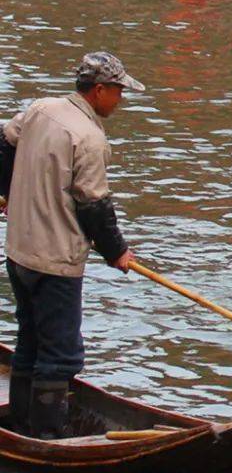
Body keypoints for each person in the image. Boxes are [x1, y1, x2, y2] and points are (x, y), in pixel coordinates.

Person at [0, 52, 142, 439]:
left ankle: (21, 423)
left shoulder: (40, 109)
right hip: (54, 261)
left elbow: (4, 143)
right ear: (98, 91)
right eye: (118, 91)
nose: (121, 99)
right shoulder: (90, 138)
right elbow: (95, 206)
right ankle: (47, 436)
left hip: (19, 252)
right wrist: (117, 252)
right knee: (60, 354)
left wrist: (6, 192)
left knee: (29, 338)